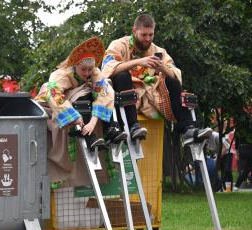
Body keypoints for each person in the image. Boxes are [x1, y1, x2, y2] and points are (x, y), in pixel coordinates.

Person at [35, 37, 144, 187]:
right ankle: (89, 137)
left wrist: (92, 123)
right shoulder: (60, 75)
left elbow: (105, 94)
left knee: (103, 88)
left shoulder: (95, 73)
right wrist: (75, 118)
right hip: (50, 104)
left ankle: (111, 129)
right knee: (84, 92)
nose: (87, 73)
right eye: (83, 70)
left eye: (89, 70)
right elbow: (54, 96)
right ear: (75, 66)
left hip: (82, 105)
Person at [101, 14, 212, 144]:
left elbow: (176, 75)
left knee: (172, 80)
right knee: (122, 76)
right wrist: (139, 62)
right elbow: (106, 70)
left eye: (151, 35)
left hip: (151, 97)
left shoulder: (158, 51)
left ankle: (187, 128)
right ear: (134, 31)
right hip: (124, 96)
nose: (148, 39)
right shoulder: (118, 45)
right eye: (144, 35)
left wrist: (163, 68)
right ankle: (133, 127)